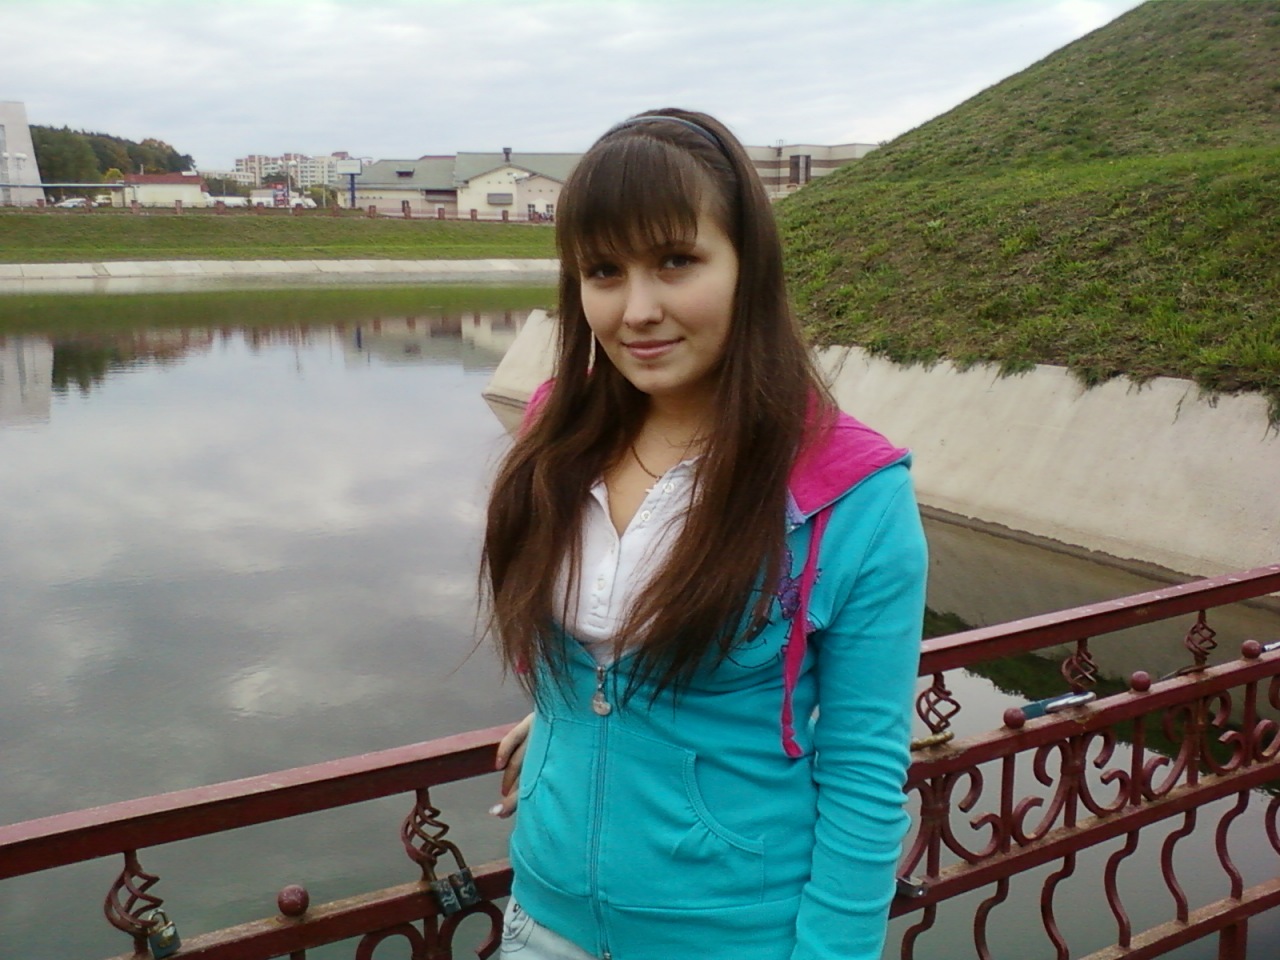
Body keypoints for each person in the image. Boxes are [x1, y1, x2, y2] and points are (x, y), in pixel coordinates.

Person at [481, 107, 927, 960]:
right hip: (541, 924)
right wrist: (572, 718)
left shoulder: (854, 493)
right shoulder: (555, 437)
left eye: (676, 262)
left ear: (747, 265)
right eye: (604, 271)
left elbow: (866, 771)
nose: (638, 310)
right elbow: (600, 653)